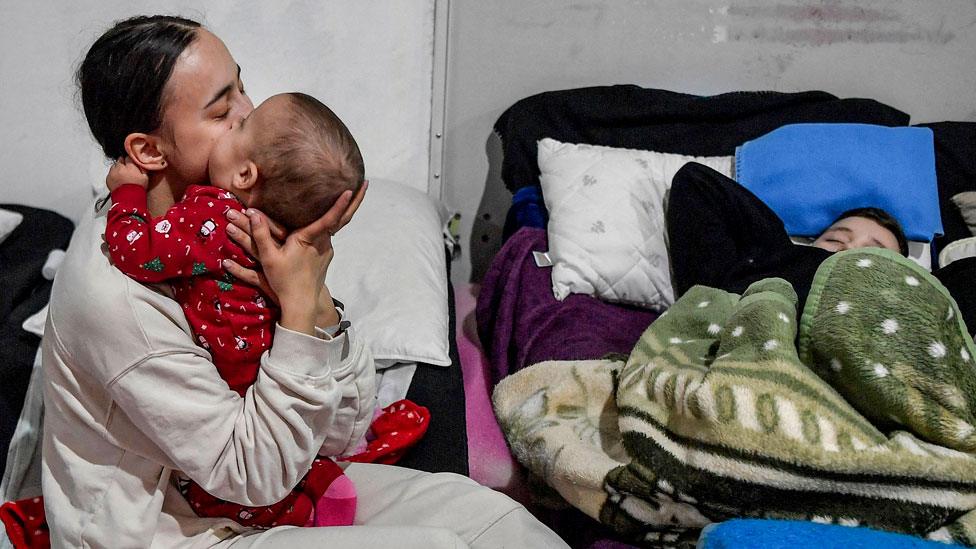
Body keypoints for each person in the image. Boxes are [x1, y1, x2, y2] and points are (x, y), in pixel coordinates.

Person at [42, 14, 568, 548]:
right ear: (149, 151)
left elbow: (344, 428)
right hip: (171, 525)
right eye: (224, 111)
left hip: (270, 480)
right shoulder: (119, 295)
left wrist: (314, 302)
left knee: (497, 523)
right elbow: (254, 475)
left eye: (243, 89)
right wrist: (295, 315)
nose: (251, 114)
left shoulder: (240, 234)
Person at [102, 91, 366, 529]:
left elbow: (135, 250)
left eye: (243, 119)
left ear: (245, 174)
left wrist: (127, 194)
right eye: (225, 112)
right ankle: (304, 491)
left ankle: (289, 504)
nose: (241, 113)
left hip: (253, 412)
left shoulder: (209, 211)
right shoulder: (278, 230)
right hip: (263, 407)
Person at [666, 162, 975, 333]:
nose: (847, 251)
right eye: (835, 240)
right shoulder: (778, 257)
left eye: (870, 252)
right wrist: (776, 241)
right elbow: (695, 181)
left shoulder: (913, 293)